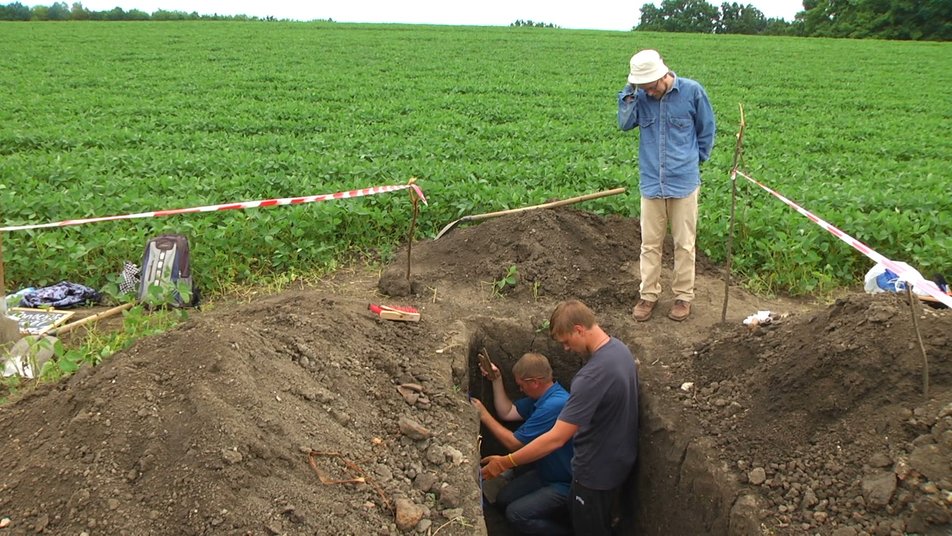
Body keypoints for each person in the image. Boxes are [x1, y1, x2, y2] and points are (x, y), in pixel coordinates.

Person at [481, 300, 639, 536]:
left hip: (594, 473)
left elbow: (555, 439)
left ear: (579, 329)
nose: (566, 349)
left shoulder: (590, 377)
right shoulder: (620, 352)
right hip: (617, 459)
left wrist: (505, 462)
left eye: (566, 342)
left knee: (589, 528)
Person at [618, 49, 716, 322]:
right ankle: (648, 295)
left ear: (663, 76)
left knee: (684, 244)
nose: (648, 92)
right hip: (651, 182)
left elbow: (706, 129)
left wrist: (693, 161)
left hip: (683, 181)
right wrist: (630, 91)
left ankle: (683, 297)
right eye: (643, 87)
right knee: (649, 244)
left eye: (650, 86)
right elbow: (624, 123)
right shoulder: (639, 97)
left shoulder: (692, 92)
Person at [471, 352, 573, 535]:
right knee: (503, 500)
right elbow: (508, 412)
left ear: (534, 382)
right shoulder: (543, 397)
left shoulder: (555, 405)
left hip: (564, 483)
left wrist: (483, 414)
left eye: (521, 385)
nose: (520, 390)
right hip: (545, 473)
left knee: (516, 514)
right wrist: (497, 380)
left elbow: (515, 444)